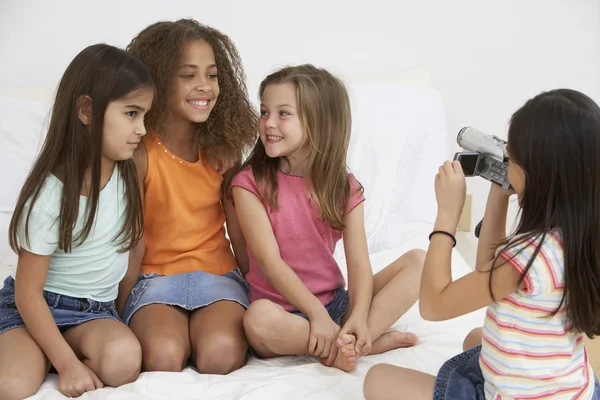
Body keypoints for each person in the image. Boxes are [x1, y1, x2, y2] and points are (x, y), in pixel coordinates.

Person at [364, 88, 600, 400]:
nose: (508, 165)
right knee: (475, 337)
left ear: (539, 174)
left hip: (516, 395)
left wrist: (447, 215)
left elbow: (434, 305)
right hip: (573, 387)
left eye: (512, 160)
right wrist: (500, 192)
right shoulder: (577, 236)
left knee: (377, 379)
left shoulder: (530, 256)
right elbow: (489, 272)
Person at [231, 64, 424, 372]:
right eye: (265, 111)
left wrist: (359, 314)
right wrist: (316, 316)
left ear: (319, 122)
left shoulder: (344, 187)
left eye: (283, 113)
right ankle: (356, 345)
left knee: (419, 263)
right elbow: (270, 262)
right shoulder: (249, 183)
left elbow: (359, 262)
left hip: (335, 304)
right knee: (257, 320)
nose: (268, 123)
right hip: (285, 314)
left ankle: (359, 337)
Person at [0, 43, 154, 399]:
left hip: (92, 312)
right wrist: (68, 365)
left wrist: (117, 316)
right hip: (34, 308)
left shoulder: (128, 173)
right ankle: (42, 350)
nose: (142, 129)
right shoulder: (49, 197)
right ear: (86, 110)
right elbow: (28, 294)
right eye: (131, 114)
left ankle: (56, 349)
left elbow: (134, 247)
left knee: (124, 360)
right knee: (12, 385)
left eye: (144, 115)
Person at [120, 19, 258, 374]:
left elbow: (240, 234)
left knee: (220, 355)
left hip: (219, 278)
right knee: (163, 357)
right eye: (188, 75)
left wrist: (261, 293)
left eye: (212, 75)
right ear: (159, 79)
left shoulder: (223, 151)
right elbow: (133, 242)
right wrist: (117, 311)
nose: (204, 87)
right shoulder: (139, 154)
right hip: (154, 281)